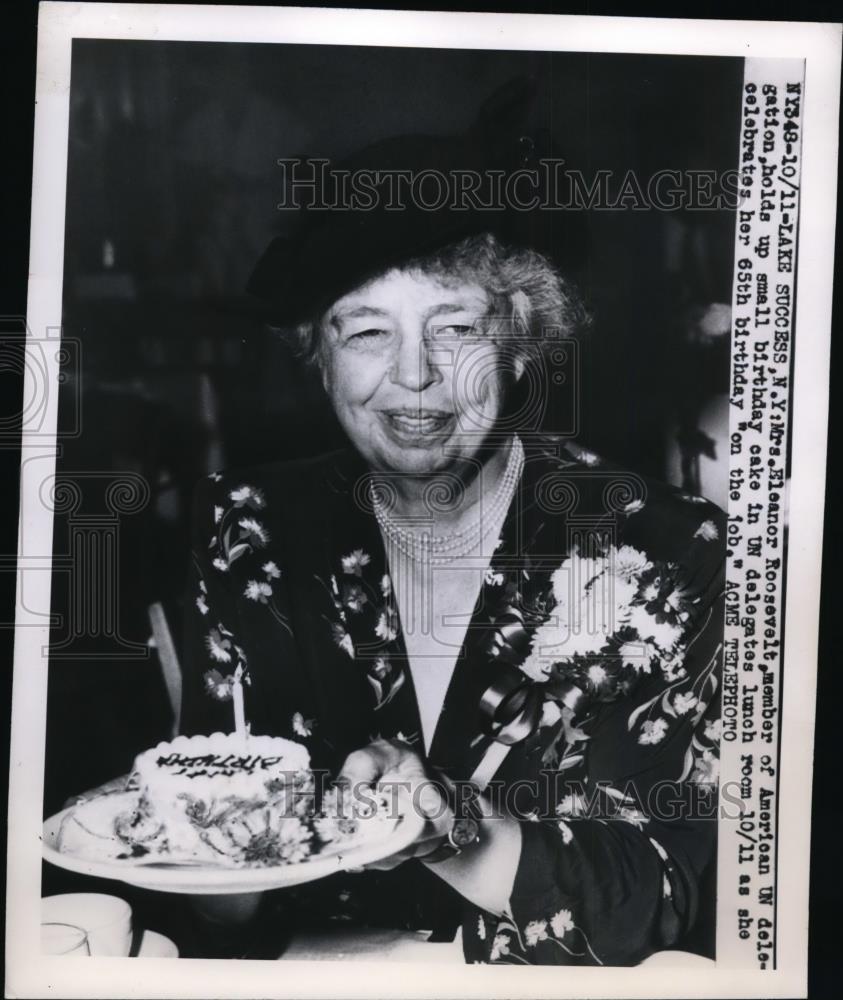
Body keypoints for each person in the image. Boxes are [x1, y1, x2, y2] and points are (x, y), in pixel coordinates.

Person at [179, 106, 726, 960]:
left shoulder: (663, 549)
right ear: (317, 357)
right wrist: (216, 863)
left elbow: (657, 901)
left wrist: (450, 830)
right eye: (366, 332)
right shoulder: (248, 530)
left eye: (455, 329)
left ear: (516, 346)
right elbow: (215, 899)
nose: (412, 376)